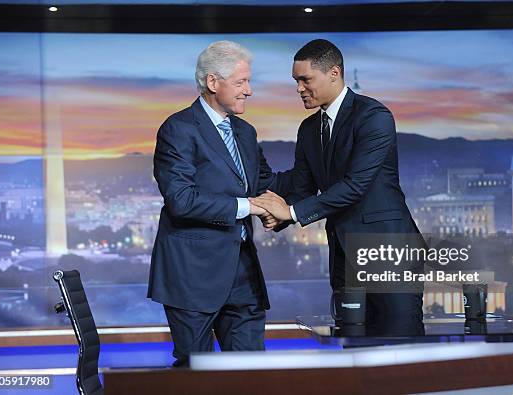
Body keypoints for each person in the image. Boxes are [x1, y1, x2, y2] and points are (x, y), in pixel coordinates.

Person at [251, 39, 424, 330]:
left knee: (400, 345)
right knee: (354, 346)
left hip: (389, 252)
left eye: (305, 79)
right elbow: (302, 188)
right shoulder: (308, 129)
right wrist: (273, 212)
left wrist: (290, 213)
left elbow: (355, 186)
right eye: (296, 81)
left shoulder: (374, 117)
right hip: (344, 256)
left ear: (334, 73)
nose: (299, 89)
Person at [147, 40, 280, 364]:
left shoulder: (246, 132)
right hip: (193, 277)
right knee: (197, 376)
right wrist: (248, 206)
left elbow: (266, 184)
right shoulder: (178, 129)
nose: (248, 91)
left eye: (249, 81)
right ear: (212, 82)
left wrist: (318, 183)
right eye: (241, 82)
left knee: (252, 373)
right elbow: (182, 200)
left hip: (244, 275)